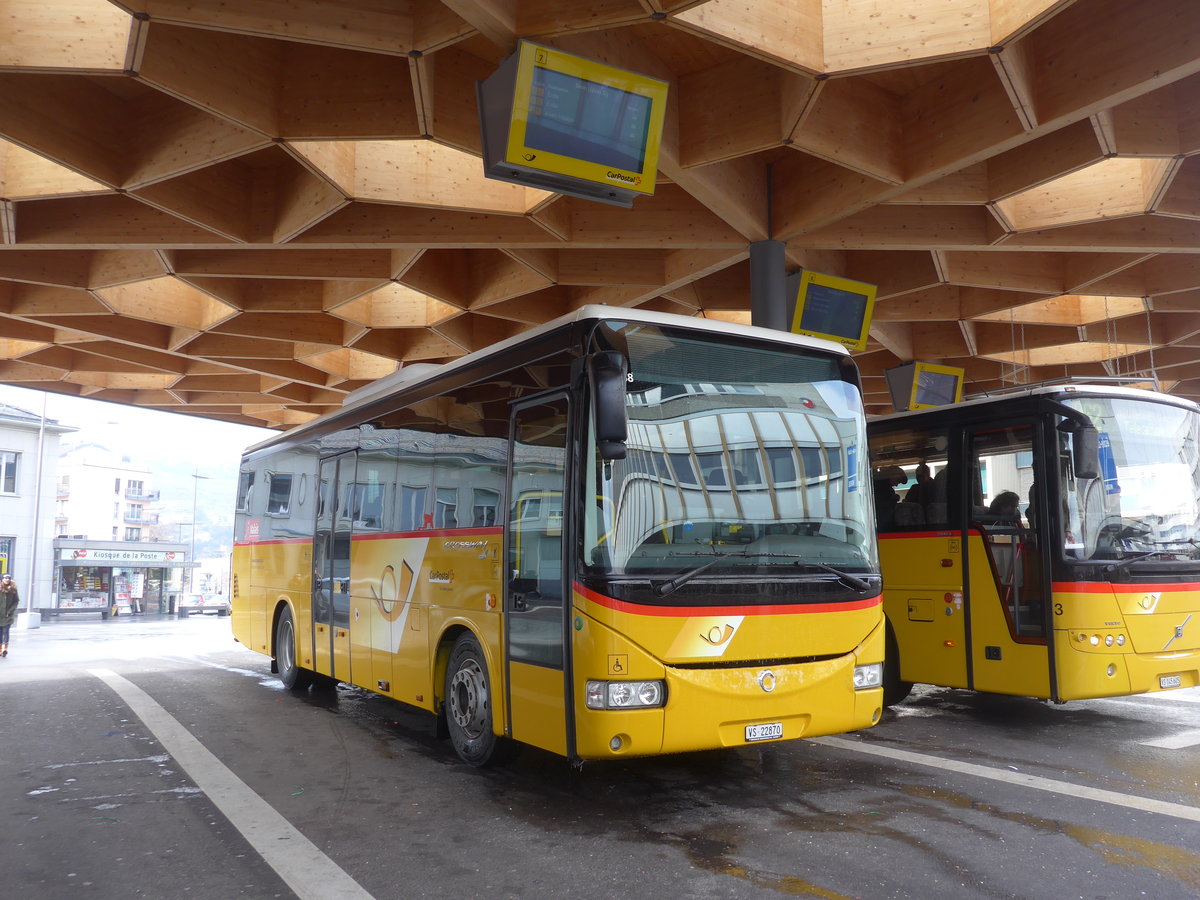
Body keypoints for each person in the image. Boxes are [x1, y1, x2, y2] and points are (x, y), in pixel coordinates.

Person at [0, 573, 20, 658]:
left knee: (6, 631)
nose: (7, 579)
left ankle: (4, 649)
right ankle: (0, 649)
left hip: (8, 615)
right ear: (2, 579)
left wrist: (11, 610)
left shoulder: (13, 589)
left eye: (9, 578)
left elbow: (16, 601)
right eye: (5, 578)